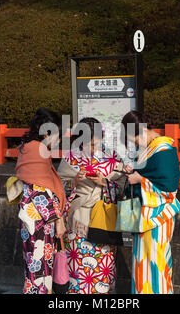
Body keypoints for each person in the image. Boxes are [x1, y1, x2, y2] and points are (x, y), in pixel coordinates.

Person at [57, 117, 126, 294]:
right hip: (77, 221)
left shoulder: (112, 157)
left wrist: (105, 183)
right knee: (78, 269)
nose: (93, 148)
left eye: (96, 143)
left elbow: (124, 184)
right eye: (88, 144)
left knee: (103, 269)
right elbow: (58, 188)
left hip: (103, 220)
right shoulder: (70, 158)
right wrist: (73, 182)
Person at [121, 110, 180, 294]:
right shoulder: (151, 148)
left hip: (158, 217)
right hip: (145, 216)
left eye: (133, 137)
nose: (133, 142)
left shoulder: (163, 149)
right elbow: (151, 174)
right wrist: (132, 171)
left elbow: (168, 186)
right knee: (142, 265)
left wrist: (140, 180)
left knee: (157, 265)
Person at [15, 107, 67, 294]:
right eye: (57, 135)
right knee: (40, 271)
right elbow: (40, 191)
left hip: (32, 220)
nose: (58, 140)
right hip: (40, 222)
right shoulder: (38, 150)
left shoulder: (28, 147)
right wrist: (57, 220)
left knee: (35, 268)